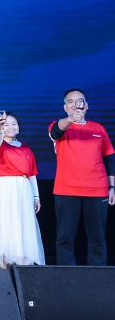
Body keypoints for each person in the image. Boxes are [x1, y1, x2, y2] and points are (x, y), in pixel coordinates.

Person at [49, 89, 115, 266]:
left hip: (97, 190)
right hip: (66, 190)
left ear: (86, 105)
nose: (76, 104)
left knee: (97, 238)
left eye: (80, 101)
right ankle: (67, 276)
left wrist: (112, 187)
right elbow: (55, 132)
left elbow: (109, 158)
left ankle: (97, 276)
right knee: (65, 238)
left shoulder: (98, 129)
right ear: (65, 107)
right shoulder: (60, 126)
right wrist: (71, 119)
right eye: (70, 101)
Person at [0, 111, 44, 267]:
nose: (11, 127)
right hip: (5, 188)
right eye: (6, 124)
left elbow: (32, 175)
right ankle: (4, 266)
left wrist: (36, 197)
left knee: (24, 225)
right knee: (5, 224)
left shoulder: (26, 148)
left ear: (19, 127)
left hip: (23, 189)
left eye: (14, 124)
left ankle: (24, 267)